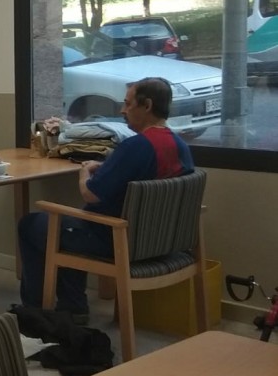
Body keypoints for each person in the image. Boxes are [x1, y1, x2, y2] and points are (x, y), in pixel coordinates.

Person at [18, 77, 194, 321]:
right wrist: (108, 167)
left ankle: (37, 311)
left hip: (117, 241)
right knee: (66, 226)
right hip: (161, 242)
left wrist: (84, 172)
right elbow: (147, 175)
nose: (122, 110)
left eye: (128, 103)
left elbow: (90, 194)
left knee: (34, 225)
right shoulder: (180, 145)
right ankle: (71, 307)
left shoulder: (135, 146)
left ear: (147, 106)